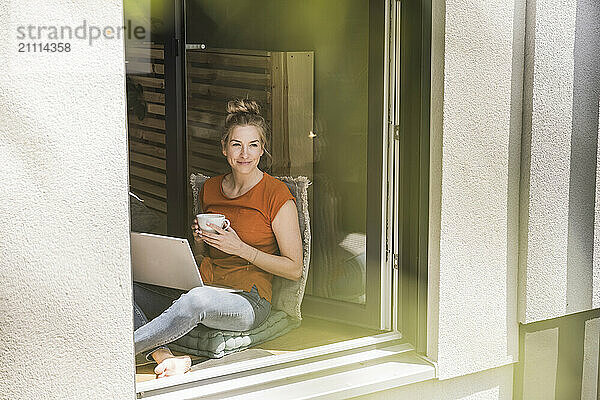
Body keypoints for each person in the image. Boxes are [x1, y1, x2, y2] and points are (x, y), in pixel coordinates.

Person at [133, 99, 303, 378]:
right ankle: (163, 355)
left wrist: (241, 249)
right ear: (225, 149)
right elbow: (205, 258)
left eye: (253, 145)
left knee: (196, 300)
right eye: (236, 144)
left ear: (262, 149)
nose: (244, 154)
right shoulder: (210, 188)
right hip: (204, 284)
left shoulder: (277, 195)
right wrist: (199, 241)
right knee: (129, 287)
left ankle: (116, 352)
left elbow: (294, 269)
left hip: (249, 300)